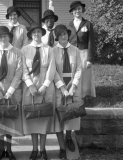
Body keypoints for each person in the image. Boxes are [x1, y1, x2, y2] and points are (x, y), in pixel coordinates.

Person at [0, 26, 23, 160]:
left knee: (10, 120)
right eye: (0, 37)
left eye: (5, 36)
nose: (3, 39)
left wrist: (10, 91)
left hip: (11, 90)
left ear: (9, 37)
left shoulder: (17, 52)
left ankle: (9, 149)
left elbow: (19, 72)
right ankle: (1, 150)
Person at [21, 23, 56, 160]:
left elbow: (51, 68)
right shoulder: (24, 50)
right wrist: (30, 85)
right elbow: (23, 69)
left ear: (42, 34)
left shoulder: (48, 49)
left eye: (39, 32)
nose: (36, 34)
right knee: (33, 117)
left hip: (44, 86)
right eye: (34, 32)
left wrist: (45, 85)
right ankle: (34, 149)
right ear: (30, 35)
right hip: (30, 86)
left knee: (43, 117)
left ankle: (43, 149)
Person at [52, 24, 82, 159]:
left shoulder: (75, 50)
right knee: (60, 116)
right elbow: (53, 71)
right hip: (59, 87)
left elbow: (79, 69)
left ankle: (69, 137)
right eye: (60, 35)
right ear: (57, 37)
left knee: (71, 113)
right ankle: (62, 147)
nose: (63, 36)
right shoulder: (52, 51)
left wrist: (73, 85)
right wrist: (62, 87)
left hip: (72, 86)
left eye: (65, 34)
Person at [68, 1, 96, 99]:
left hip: (84, 52)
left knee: (84, 75)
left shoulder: (88, 24)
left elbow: (91, 42)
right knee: (74, 74)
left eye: (79, 8)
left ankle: (83, 96)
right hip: (72, 53)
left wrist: (90, 59)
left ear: (82, 10)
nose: (77, 11)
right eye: (75, 9)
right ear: (72, 12)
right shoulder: (69, 25)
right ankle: (74, 94)